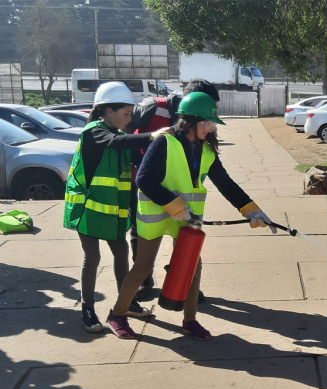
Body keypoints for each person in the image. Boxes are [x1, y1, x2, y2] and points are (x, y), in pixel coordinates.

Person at [106, 92, 276, 340]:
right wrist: (175, 207)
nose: (211, 129)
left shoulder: (205, 150)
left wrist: (251, 210)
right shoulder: (165, 142)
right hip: (156, 215)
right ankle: (118, 314)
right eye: (207, 123)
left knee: (193, 267)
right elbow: (143, 179)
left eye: (212, 124)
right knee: (143, 268)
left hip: (187, 219)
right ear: (191, 121)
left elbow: (225, 183)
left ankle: (190, 320)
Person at [63, 81, 171, 333]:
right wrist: (155, 135)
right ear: (108, 111)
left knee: (121, 254)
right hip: (87, 210)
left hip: (112, 213)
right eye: (125, 113)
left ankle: (127, 302)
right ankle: (87, 310)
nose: (129, 118)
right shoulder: (93, 133)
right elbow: (113, 142)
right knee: (93, 258)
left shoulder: (121, 137)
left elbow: (141, 161)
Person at [124, 79, 220, 301]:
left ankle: (179, 282)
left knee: (186, 250)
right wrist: (133, 160)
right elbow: (126, 128)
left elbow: (217, 172)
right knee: (142, 234)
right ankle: (144, 280)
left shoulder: (200, 130)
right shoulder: (152, 107)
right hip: (145, 183)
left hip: (177, 194)